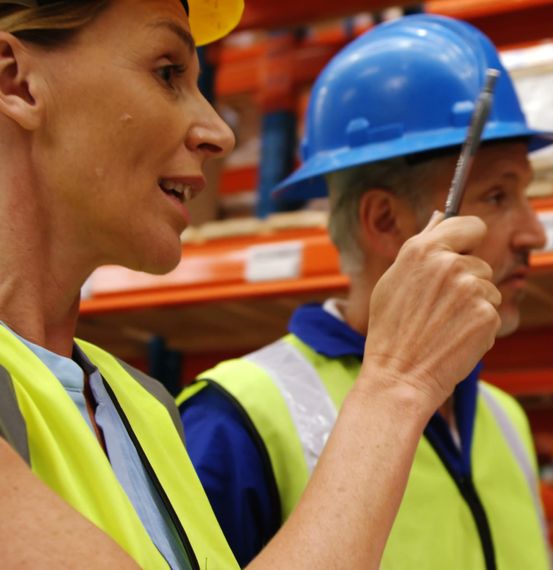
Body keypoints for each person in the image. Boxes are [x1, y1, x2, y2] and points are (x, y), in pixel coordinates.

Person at [0, 1, 503, 567]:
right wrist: (397, 384)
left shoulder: (141, 406)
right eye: (168, 72)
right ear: (17, 82)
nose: (219, 133)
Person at [178, 14, 553, 569]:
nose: (535, 233)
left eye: (524, 192)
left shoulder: (504, 419)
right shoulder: (237, 419)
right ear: (383, 221)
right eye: (498, 196)